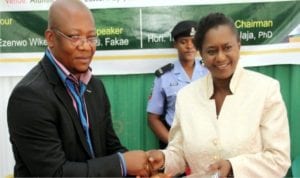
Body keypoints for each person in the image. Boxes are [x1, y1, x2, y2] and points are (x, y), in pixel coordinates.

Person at [7, 0, 151, 177]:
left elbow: (110, 147)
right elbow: (55, 173)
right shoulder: (30, 96)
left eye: (91, 37)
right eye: (75, 37)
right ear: (51, 38)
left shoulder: (95, 87)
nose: (86, 46)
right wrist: (122, 164)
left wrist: (144, 169)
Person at [148, 12, 291, 177]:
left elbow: (279, 159)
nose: (221, 57)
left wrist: (233, 167)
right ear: (201, 54)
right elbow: (179, 152)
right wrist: (163, 159)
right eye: (211, 51)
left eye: (227, 47)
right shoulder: (186, 96)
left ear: (239, 45)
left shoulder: (265, 89)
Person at [147, 20, 208, 149]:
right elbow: (153, 119)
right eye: (183, 42)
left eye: (193, 41)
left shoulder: (209, 72)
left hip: (205, 140)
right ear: (175, 44)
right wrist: (174, 144)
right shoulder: (164, 77)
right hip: (174, 141)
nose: (189, 46)